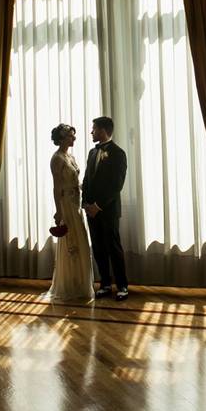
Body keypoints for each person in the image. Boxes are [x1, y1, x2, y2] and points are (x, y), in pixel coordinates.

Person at [81, 116, 129, 301]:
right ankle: (105, 284)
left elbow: (116, 184)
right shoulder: (92, 153)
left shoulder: (118, 153)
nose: (91, 132)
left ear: (103, 130)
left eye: (93, 129)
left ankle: (123, 286)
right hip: (90, 210)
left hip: (107, 210)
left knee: (113, 247)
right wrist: (86, 203)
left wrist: (98, 206)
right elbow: (86, 180)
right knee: (99, 248)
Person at [46, 123, 95, 302]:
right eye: (70, 136)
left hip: (76, 203)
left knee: (81, 241)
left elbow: (76, 181)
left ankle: (80, 284)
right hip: (66, 204)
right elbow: (56, 187)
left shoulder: (70, 156)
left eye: (74, 136)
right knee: (71, 244)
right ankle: (68, 285)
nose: (74, 138)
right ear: (61, 138)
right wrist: (59, 212)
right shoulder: (57, 158)